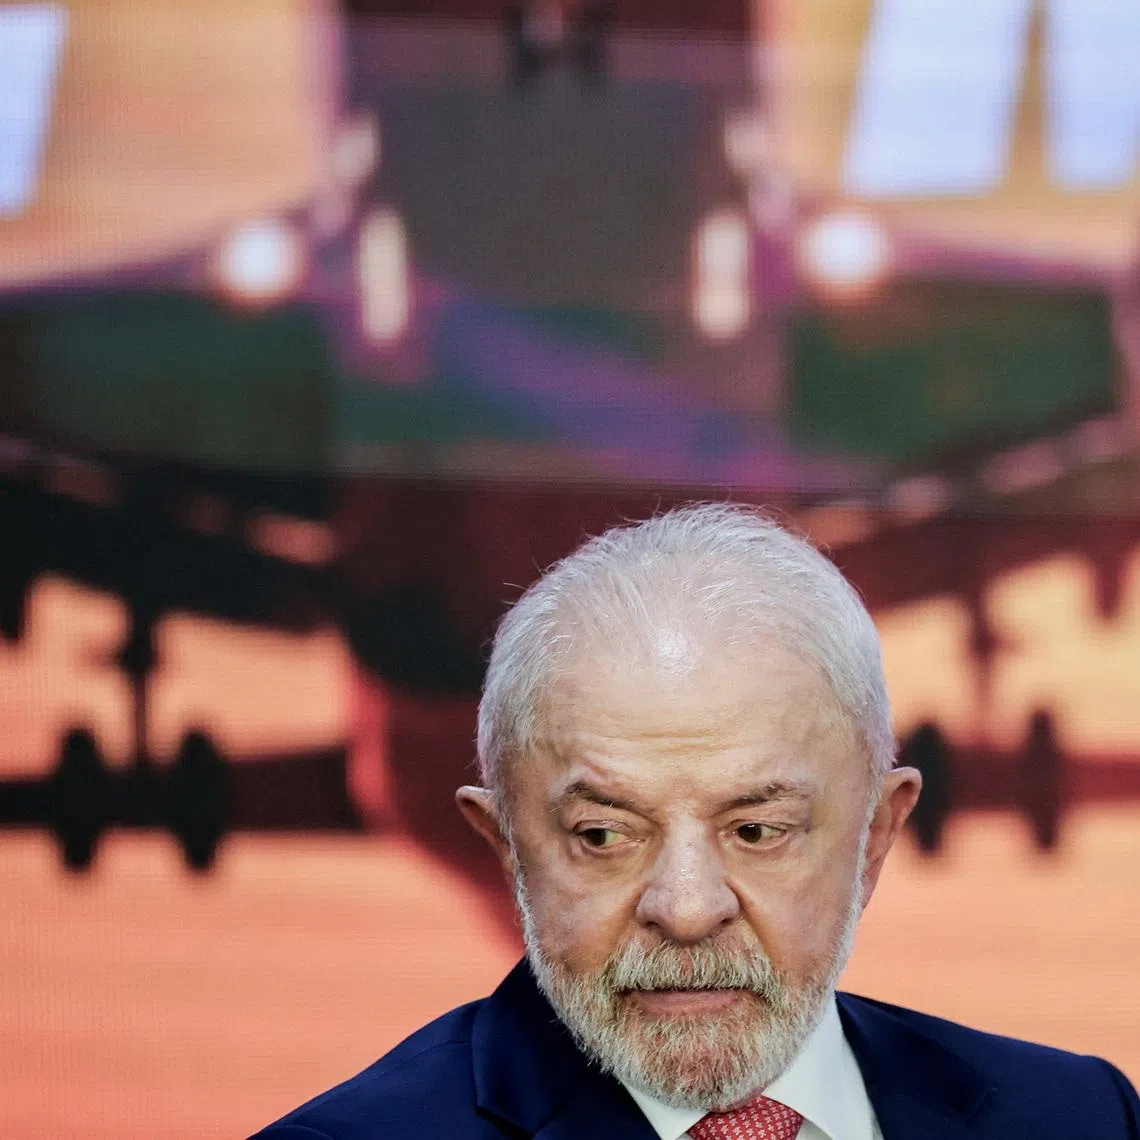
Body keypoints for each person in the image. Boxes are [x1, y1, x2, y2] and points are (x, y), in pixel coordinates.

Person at [253, 504, 1139, 1139]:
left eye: (756, 831)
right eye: (604, 835)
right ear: (506, 846)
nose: (685, 908)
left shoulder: (1083, 1117)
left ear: (876, 836)